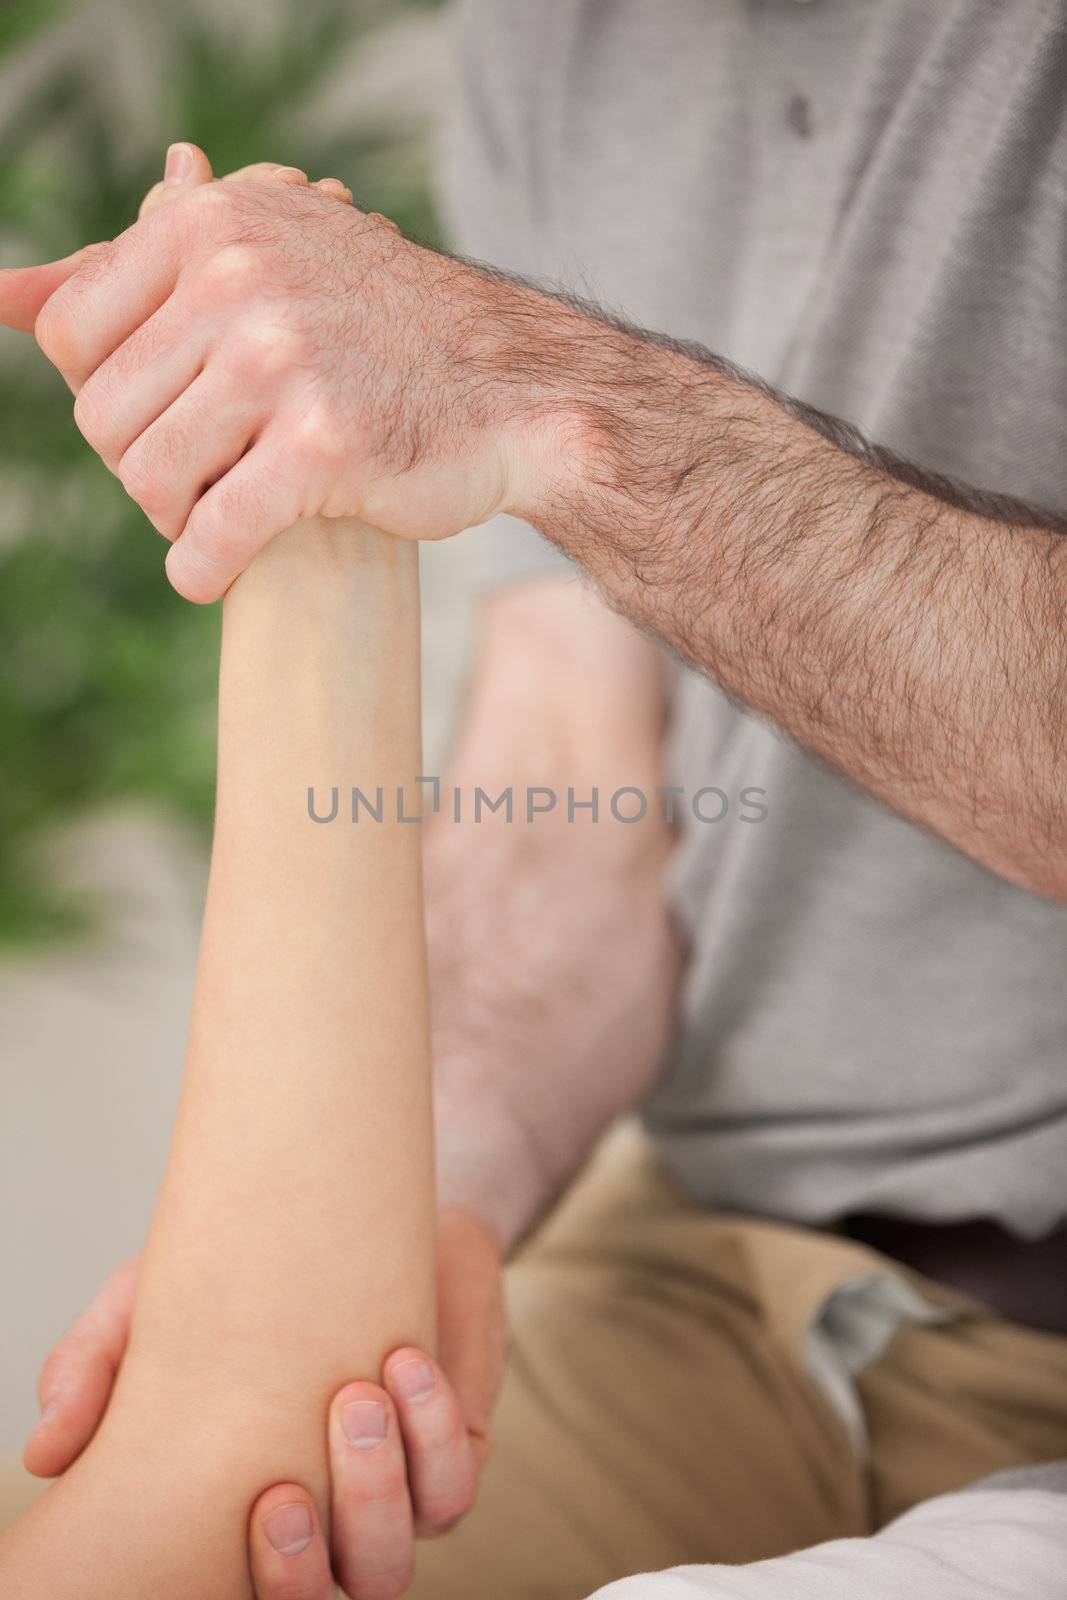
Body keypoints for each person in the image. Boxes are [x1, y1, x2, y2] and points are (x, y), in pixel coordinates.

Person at [1, 1, 1065, 1596]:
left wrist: (547, 407)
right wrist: (419, 1200)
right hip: (721, 1269)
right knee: (206, 1538)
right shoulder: (550, 42)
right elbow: (571, 797)